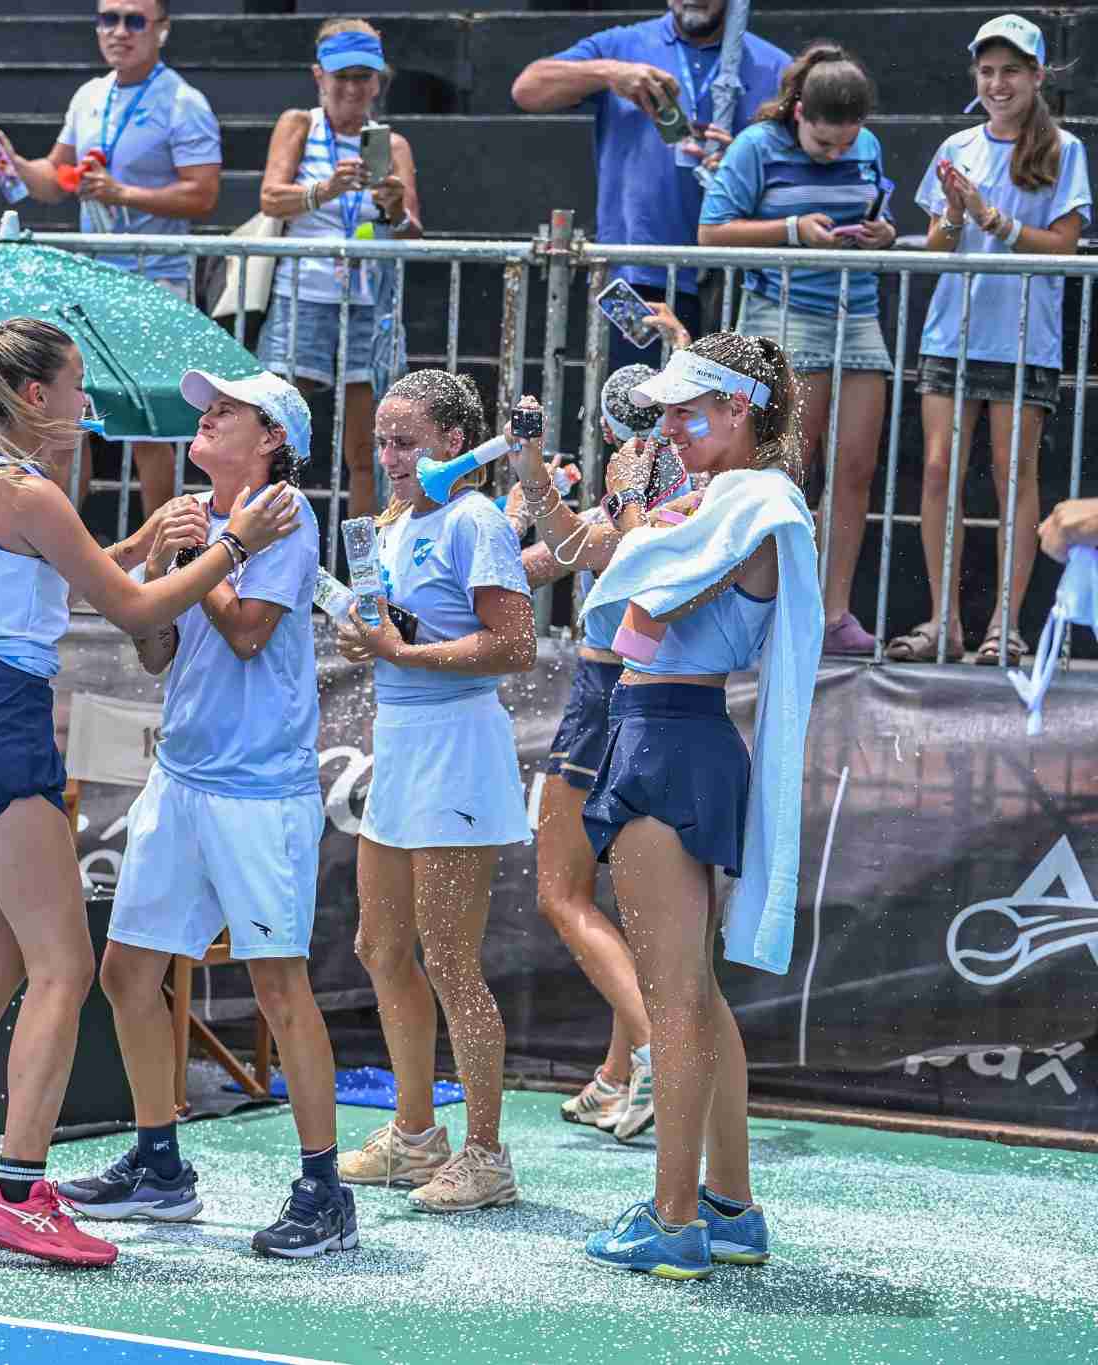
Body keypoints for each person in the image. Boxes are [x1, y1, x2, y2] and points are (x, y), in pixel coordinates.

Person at [0, 314, 301, 1268]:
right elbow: (135, 608)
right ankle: (21, 1190)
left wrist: (156, 533)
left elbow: (57, 578)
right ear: (33, 398)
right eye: (72, 387)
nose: (83, 404)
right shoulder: (30, 489)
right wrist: (232, 545)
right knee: (63, 967)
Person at [56, 371, 351, 1258]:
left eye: (226, 409)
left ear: (269, 438)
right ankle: (160, 1167)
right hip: (180, 781)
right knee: (125, 974)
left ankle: (324, 1190)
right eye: (207, 406)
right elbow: (153, 647)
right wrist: (160, 566)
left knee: (277, 987)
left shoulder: (284, 517)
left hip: (261, 794)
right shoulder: (200, 518)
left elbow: (251, 630)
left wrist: (202, 557)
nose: (206, 415)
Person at [562, 336, 823, 1277]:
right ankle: (731, 1205)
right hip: (670, 731)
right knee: (694, 997)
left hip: (672, 736)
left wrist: (633, 503)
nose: (667, 425)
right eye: (667, 411)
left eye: (685, 410)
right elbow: (604, 570)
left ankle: (674, 1222)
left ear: (742, 411)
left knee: (672, 1002)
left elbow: (649, 590)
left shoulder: (752, 500)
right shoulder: (723, 499)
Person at [332, 371, 536, 1213]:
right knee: (380, 948)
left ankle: (486, 1153)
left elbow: (514, 644)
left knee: (451, 960)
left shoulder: (475, 518)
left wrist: (405, 655)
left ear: (455, 442)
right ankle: (417, 1137)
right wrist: (364, 640)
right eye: (382, 441)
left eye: (406, 441)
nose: (389, 457)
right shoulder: (389, 525)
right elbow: (387, 632)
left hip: (459, 747)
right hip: (402, 745)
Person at [0, 0, 221, 519]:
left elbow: (204, 195)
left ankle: (161, 566)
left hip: (154, 284)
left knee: (150, 431)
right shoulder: (89, 96)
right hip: (96, 287)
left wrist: (122, 193)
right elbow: (55, 182)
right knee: (68, 424)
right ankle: (55, 547)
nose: (119, 31)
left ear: (161, 30)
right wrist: (11, 159)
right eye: (109, 18)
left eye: (134, 20)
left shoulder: (183, 102)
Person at [889, 14, 1091, 667]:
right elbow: (941, 247)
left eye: (1010, 71)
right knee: (940, 469)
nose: (998, 83)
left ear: (1036, 76)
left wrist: (992, 219)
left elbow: (1063, 247)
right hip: (951, 334)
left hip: (1026, 339)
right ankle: (943, 621)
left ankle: (1007, 623)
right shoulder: (957, 145)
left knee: (1015, 476)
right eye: (987, 71)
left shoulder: (1066, 151)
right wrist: (954, 215)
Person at [509, 365, 666, 1143]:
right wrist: (528, 499)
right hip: (641, 699)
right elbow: (560, 554)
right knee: (626, 906)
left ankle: (655, 1056)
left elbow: (576, 550)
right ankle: (616, 1071)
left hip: (606, 697)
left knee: (561, 894)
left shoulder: (646, 496)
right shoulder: (682, 491)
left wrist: (532, 485)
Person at [700, 43, 894, 656]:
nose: (839, 153)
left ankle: (833, 613)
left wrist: (882, 236)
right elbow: (711, 230)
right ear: (799, 111)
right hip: (783, 314)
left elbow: (874, 214)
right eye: (824, 143)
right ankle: (764, 609)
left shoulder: (866, 146)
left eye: (847, 143)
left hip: (856, 312)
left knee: (855, 467)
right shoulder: (756, 146)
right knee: (785, 468)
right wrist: (792, 230)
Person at [511, 0, 790, 371]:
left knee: (721, 420)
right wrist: (610, 73)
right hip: (634, 278)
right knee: (633, 413)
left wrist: (745, 164)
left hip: (738, 286)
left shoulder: (775, 66)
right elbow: (527, 90)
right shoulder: (623, 46)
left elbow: (804, 173)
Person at [257, 18, 421, 519]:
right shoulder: (298, 124)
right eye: (340, 76)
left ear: (377, 81)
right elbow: (269, 197)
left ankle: (366, 577)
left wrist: (393, 206)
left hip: (368, 303)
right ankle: (261, 551)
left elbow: (413, 230)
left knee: (372, 450)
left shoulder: (391, 145)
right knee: (273, 433)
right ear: (318, 77)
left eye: (363, 76)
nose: (351, 88)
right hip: (300, 295)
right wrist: (324, 190)